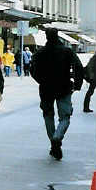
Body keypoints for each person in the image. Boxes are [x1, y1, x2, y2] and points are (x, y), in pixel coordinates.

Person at [31, 28, 84, 160]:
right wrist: (77, 84)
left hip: (46, 89)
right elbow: (78, 66)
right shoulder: (67, 51)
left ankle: (53, 143)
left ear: (46, 37)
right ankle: (57, 137)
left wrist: (41, 81)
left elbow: (32, 70)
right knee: (65, 117)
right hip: (64, 87)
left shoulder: (40, 52)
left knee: (48, 116)